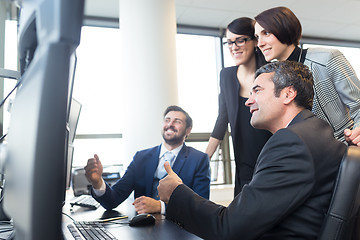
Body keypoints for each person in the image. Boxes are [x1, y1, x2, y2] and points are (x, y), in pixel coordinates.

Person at [158, 61, 347, 239]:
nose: (248, 101)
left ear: (288, 94)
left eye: (257, 91)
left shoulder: (291, 142)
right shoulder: (319, 132)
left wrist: (176, 193)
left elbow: (230, 228)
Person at [254, 6, 360, 145]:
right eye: (257, 37)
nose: (260, 43)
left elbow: (358, 105)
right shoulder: (273, 78)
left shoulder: (327, 59)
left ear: (284, 28)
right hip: (306, 156)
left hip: (343, 150)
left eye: (266, 33)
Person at [84, 105, 210, 214]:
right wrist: (98, 183)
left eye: (177, 121)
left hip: (181, 230)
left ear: (188, 130)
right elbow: (113, 200)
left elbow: (200, 207)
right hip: (143, 229)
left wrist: (160, 207)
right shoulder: (141, 158)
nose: (170, 124)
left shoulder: (199, 160)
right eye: (167, 120)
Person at [205, 17, 272, 196]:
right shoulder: (226, 76)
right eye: (229, 42)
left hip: (272, 156)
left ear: (255, 41)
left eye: (240, 40)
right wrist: (205, 159)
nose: (234, 46)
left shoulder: (271, 72)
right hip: (243, 162)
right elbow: (222, 119)